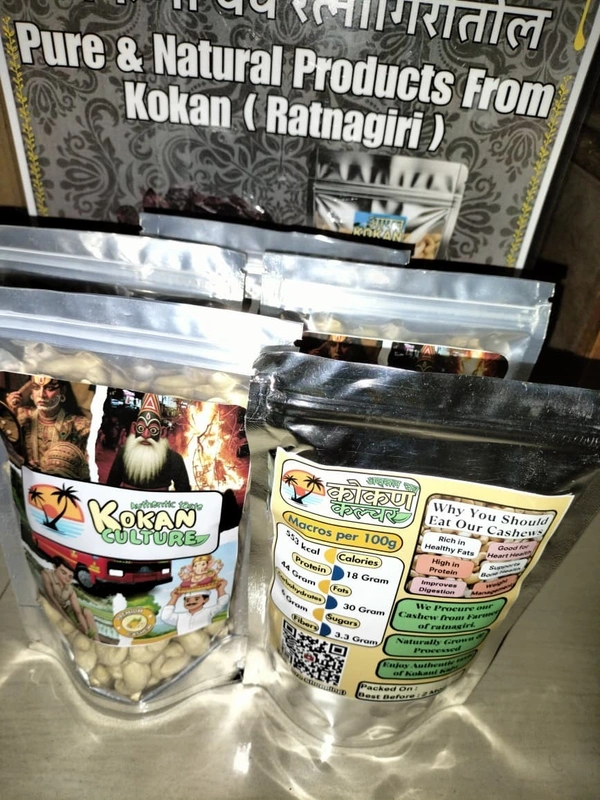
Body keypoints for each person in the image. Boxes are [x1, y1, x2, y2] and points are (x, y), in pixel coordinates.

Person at [6, 375, 90, 479]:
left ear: (63, 391)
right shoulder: (22, 417)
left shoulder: (80, 425)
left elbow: (86, 471)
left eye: (50, 388)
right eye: (36, 387)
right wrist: (10, 413)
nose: (41, 394)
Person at [106, 393, 191, 491]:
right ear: (134, 428)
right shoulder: (123, 453)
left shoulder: (174, 459)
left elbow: (184, 492)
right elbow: (111, 487)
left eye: (153, 430)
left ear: (162, 432)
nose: (145, 435)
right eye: (141, 428)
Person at [41, 559, 99, 640]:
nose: (67, 578)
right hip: (55, 608)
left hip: (66, 609)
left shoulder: (70, 589)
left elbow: (78, 612)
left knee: (87, 611)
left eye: (70, 576)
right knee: (71, 624)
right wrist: (67, 619)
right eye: (63, 573)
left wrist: (85, 630)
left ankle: (96, 639)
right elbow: (51, 598)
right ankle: (84, 635)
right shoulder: (47, 574)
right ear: (55, 568)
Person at [160, 580, 228, 635]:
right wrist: (174, 598)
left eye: (196, 599)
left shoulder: (208, 611)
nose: (190, 602)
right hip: (184, 642)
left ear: (206, 600)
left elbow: (222, 605)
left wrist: (221, 589)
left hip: (205, 638)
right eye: (187, 600)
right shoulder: (180, 617)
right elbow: (165, 617)